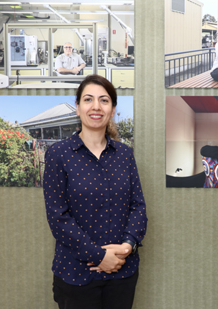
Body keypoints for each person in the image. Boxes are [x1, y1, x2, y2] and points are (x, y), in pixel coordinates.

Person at [43, 74, 147, 309]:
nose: (96, 107)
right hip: (76, 274)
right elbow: (58, 218)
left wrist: (127, 246)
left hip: (122, 271)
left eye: (104, 100)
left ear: (112, 109)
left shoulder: (125, 155)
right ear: (78, 107)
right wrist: (99, 256)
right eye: (88, 99)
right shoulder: (59, 154)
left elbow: (138, 207)